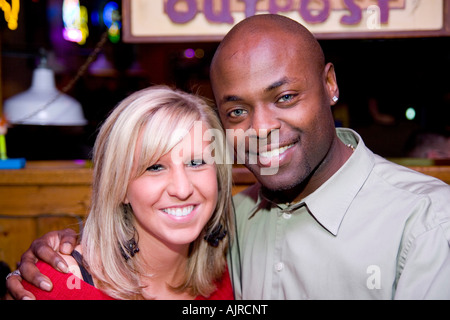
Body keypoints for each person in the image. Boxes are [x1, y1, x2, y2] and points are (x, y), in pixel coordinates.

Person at [7, 14, 450, 300]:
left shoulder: (426, 221)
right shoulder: (228, 220)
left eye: (286, 96)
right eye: (237, 110)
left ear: (330, 85)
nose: (260, 128)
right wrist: (65, 247)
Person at [8, 85, 234, 300]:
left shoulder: (224, 274)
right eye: (155, 167)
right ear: (119, 187)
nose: (182, 189)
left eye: (196, 163)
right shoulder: (58, 285)